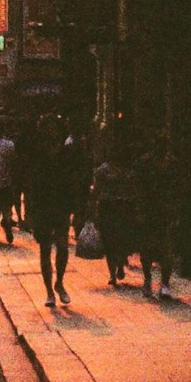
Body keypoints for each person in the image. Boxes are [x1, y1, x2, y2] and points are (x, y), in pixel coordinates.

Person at [30, 121, 81, 306]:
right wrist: (30, 212)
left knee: (62, 245)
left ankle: (59, 282)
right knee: (45, 249)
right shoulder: (39, 157)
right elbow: (32, 185)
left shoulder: (66, 156)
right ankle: (49, 291)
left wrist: (76, 208)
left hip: (61, 206)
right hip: (43, 207)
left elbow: (73, 182)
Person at [91, 141, 138, 287]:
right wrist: (92, 208)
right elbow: (96, 190)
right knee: (109, 242)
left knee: (123, 239)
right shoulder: (103, 170)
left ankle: (120, 263)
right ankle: (112, 273)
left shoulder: (130, 171)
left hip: (125, 208)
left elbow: (134, 190)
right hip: (108, 208)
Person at [136, 136, 177, 298]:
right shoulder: (144, 162)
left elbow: (176, 187)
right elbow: (138, 187)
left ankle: (165, 283)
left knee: (167, 248)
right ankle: (147, 279)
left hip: (165, 210)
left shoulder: (172, 163)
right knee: (147, 247)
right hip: (149, 209)